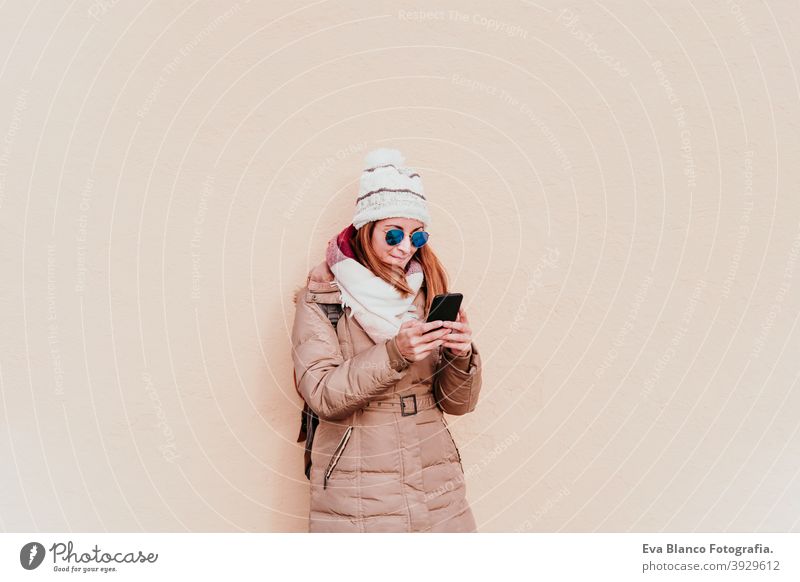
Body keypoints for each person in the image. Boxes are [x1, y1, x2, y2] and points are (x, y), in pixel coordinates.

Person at [291, 148, 483, 532]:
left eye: (417, 235)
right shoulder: (324, 296)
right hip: (359, 481)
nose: (405, 246)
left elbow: (458, 404)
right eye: (393, 233)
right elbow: (324, 394)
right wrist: (396, 352)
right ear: (366, 229)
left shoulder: (428, 290)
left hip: (433, 475)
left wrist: (460, 356)